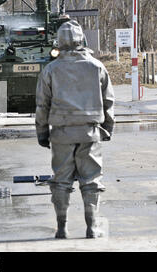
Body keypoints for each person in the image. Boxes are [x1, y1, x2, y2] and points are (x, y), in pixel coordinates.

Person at [35, 20, 115, 239]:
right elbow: (109, 101)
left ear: (58, 42)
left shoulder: (50, 70)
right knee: (91, 181)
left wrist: (42, 133)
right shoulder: (97, 66)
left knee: (61, 181)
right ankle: (92, 227)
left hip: (61, 133)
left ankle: (62, 227)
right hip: (90, 133)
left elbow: (42, 105)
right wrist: (107, 127)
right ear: (82, 40)